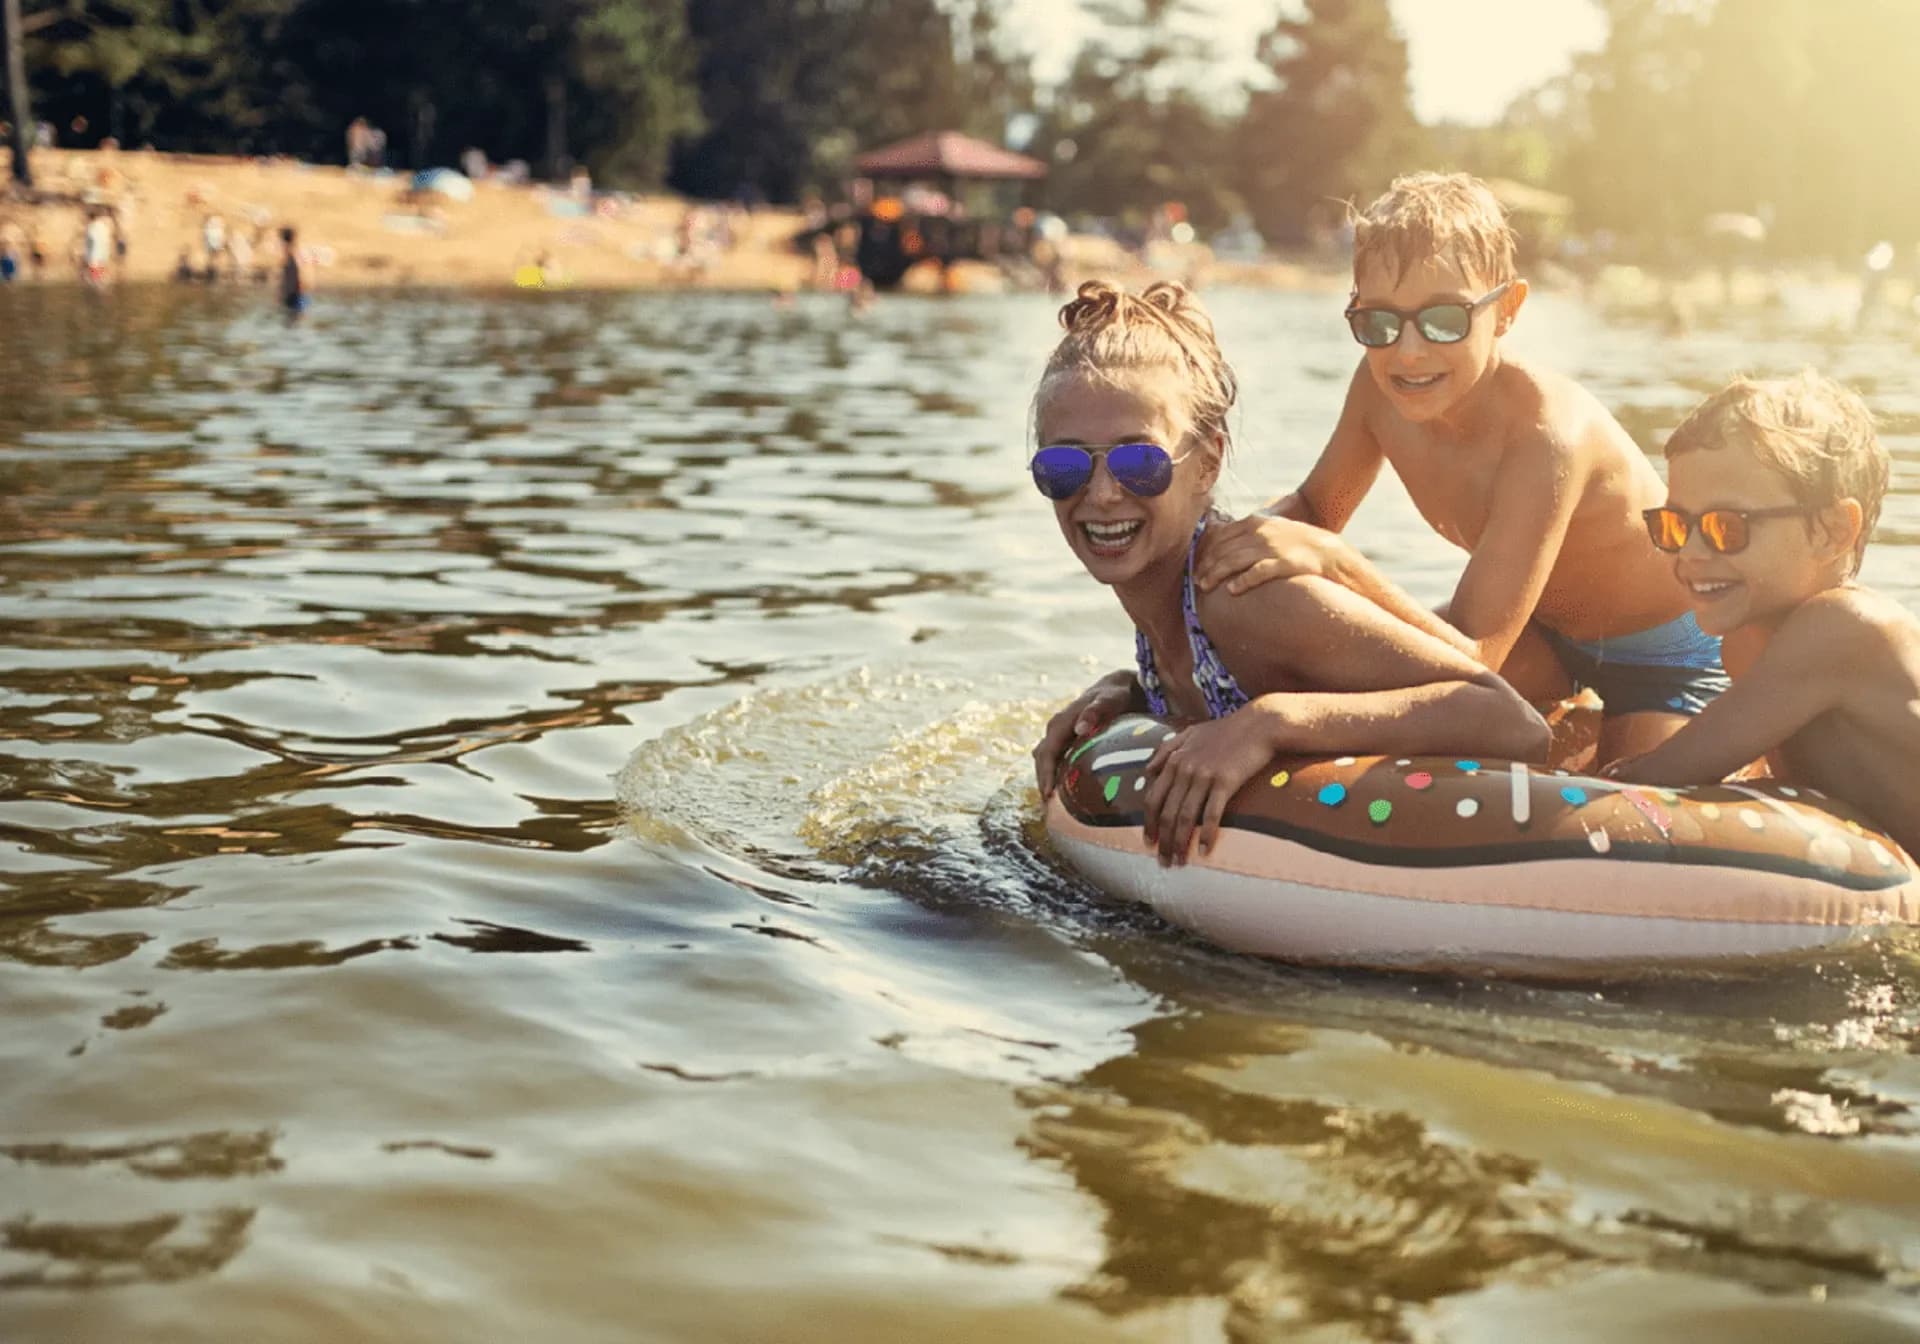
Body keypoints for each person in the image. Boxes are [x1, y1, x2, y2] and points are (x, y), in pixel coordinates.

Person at [1186, 172, 1729, 766]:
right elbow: (1318, 509)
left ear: (1506, 310)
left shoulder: (1547, 436)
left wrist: (1336, 560)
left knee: (1631, 799)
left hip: (1665, 651)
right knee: (1331, 667)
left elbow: (1474, 656)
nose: (1408, 352)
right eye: (1379, 323)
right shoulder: (1376, 389)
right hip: (1544, 638)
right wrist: (1221, 550)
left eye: (1444, 320)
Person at [1029, 280, 1548, 864]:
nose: (1100, 495)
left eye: (1139, 461)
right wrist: (1131, 690)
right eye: (1064, 464)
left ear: (1208, 463)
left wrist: (1274, 722)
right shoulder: (1161, 602)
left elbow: (1512, 720)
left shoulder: (1239, 596)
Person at [1605, 372, 1920, 854]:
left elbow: (1664, 777)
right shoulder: (1746, 643)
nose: (1689, 551)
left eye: (1725, 527)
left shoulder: (1840, 629)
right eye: (1674, 524)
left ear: (1831, 531)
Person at [278, 226, 308, 322]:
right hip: (291, 292)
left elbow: (300, 272)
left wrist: (300, 290)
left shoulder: (292, 252)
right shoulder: (289, 252)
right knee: (291, 319)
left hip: (295, 293)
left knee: (294, 319)